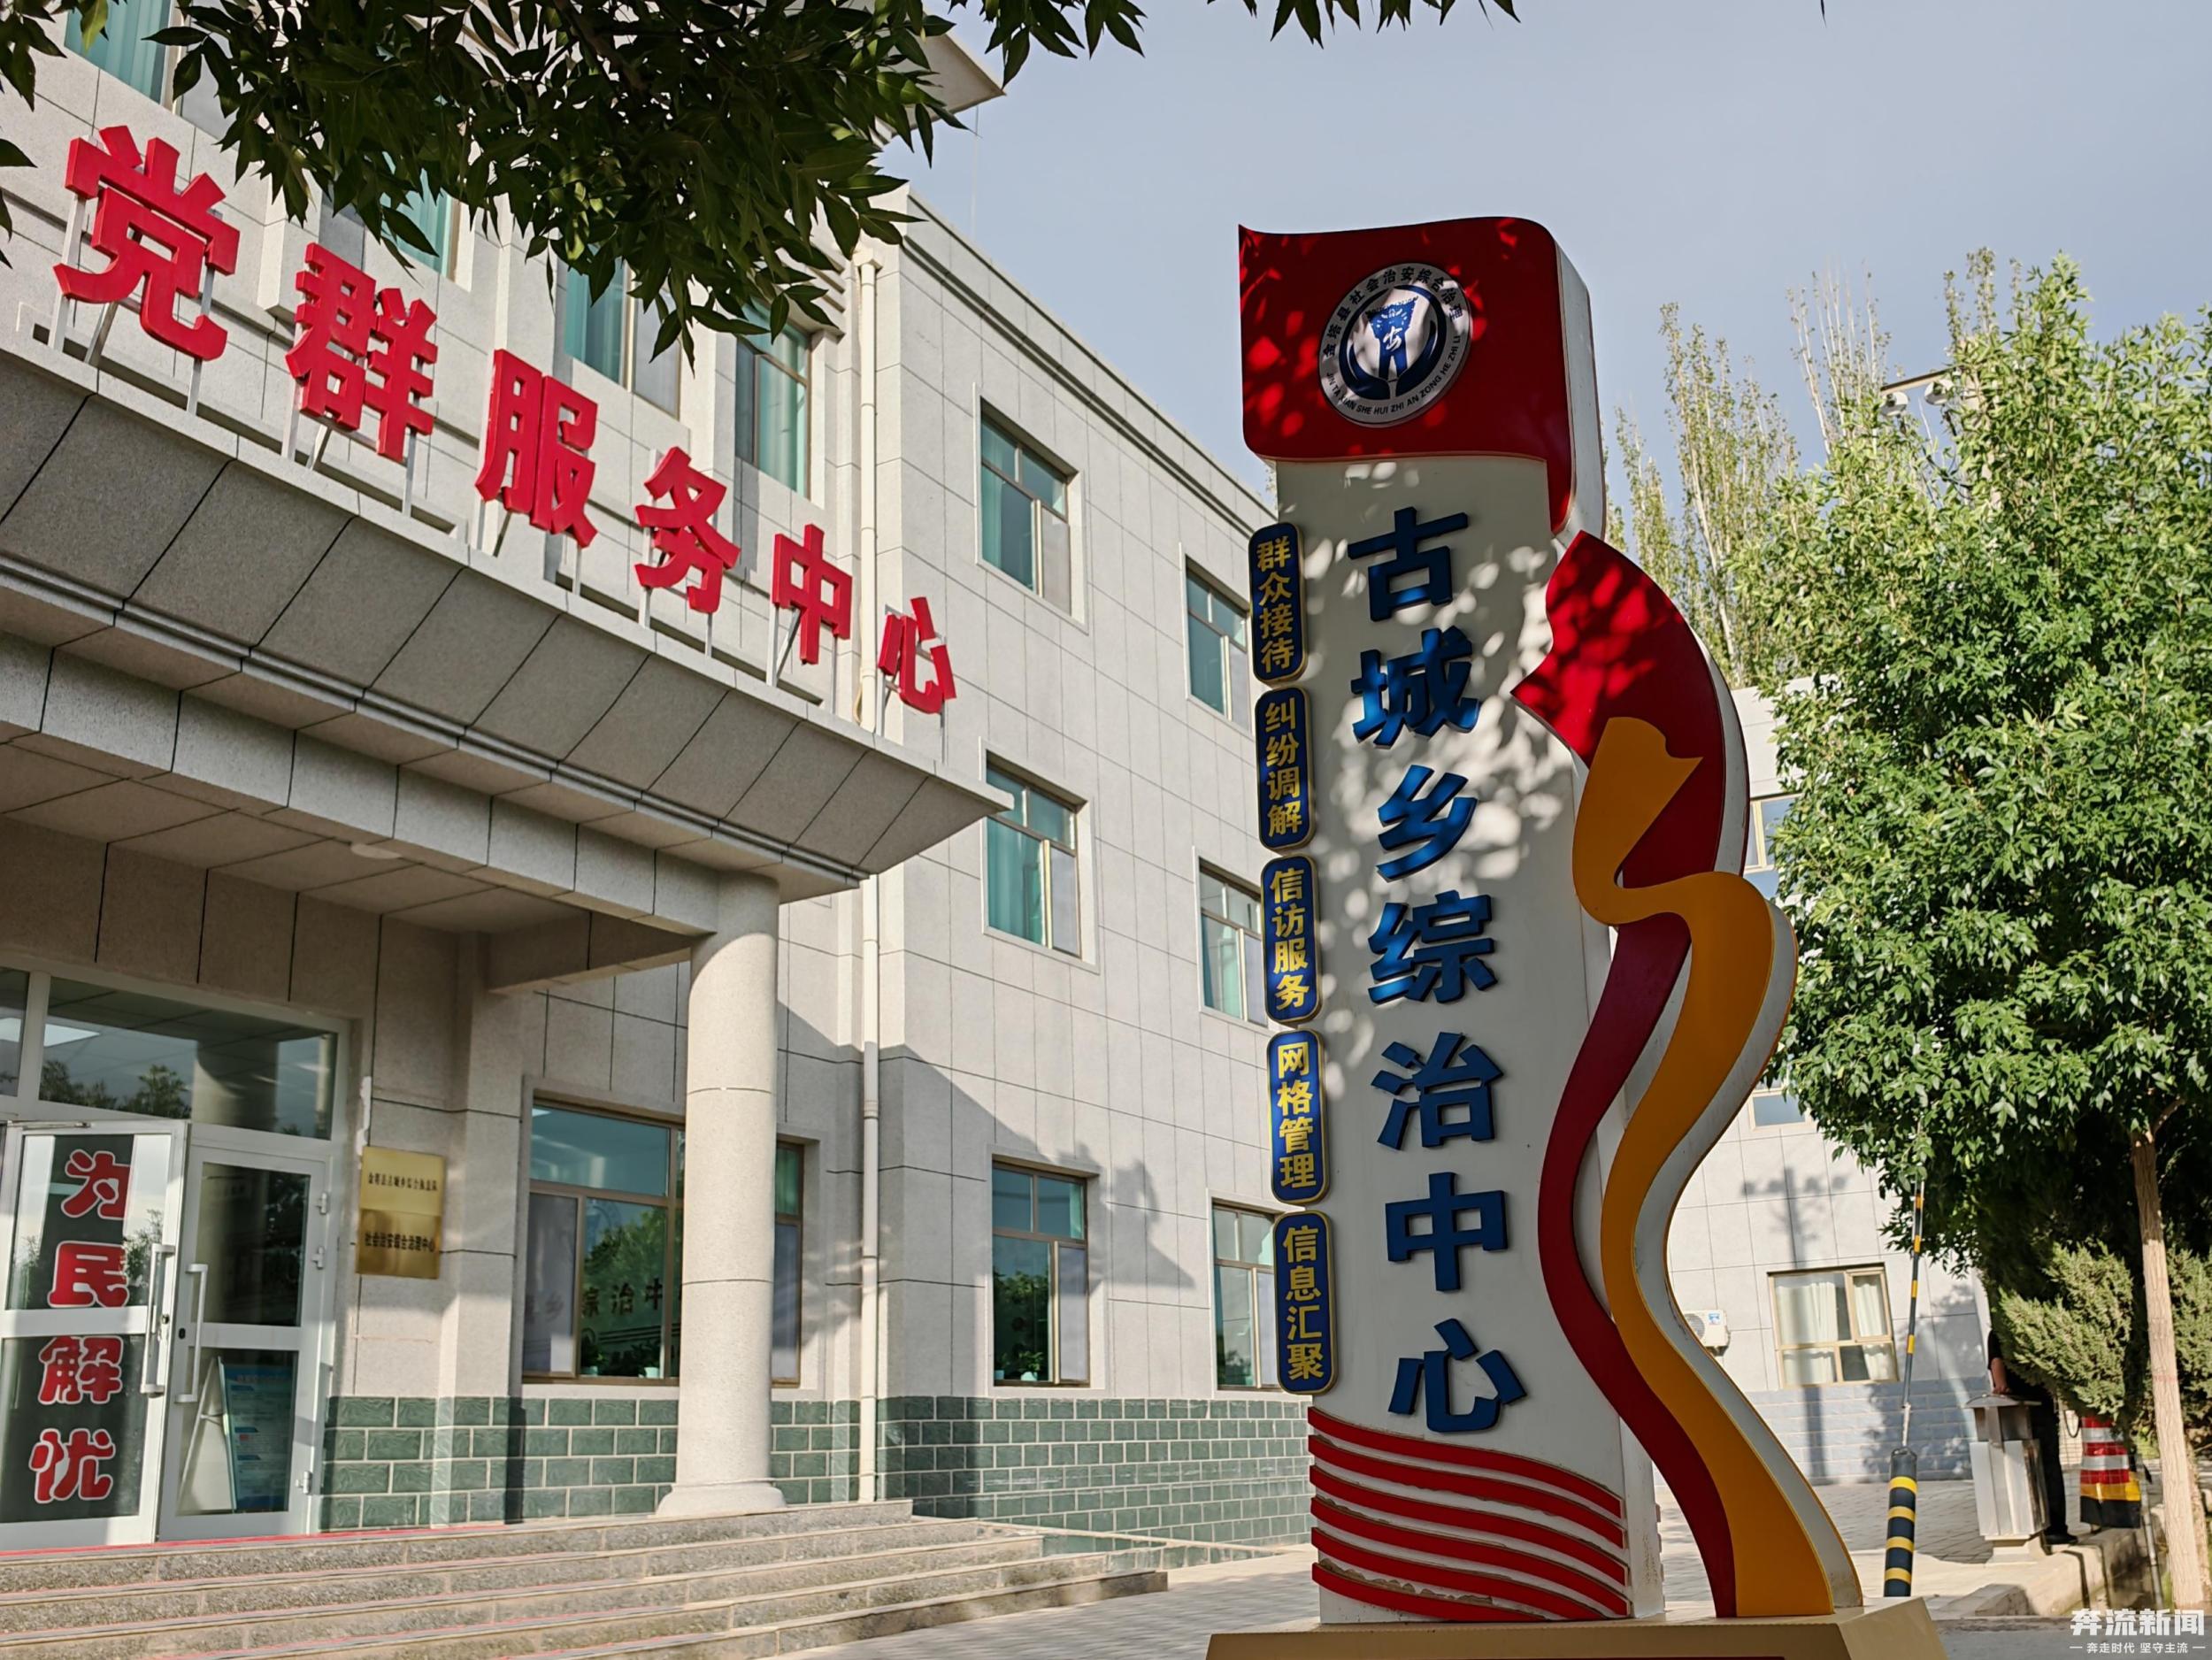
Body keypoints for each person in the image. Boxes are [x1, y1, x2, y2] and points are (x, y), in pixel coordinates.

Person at [1990, 1326, 2075, 1549]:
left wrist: (2001, 1386)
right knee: (2049, 1467)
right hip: (2040, 1405)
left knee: (2024, 1468)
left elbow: (1996, 1363)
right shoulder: (2035, 1326)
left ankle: (2035, 1524)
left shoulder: (1998, 1332)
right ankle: (2055, 1528)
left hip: (2015, 1408)